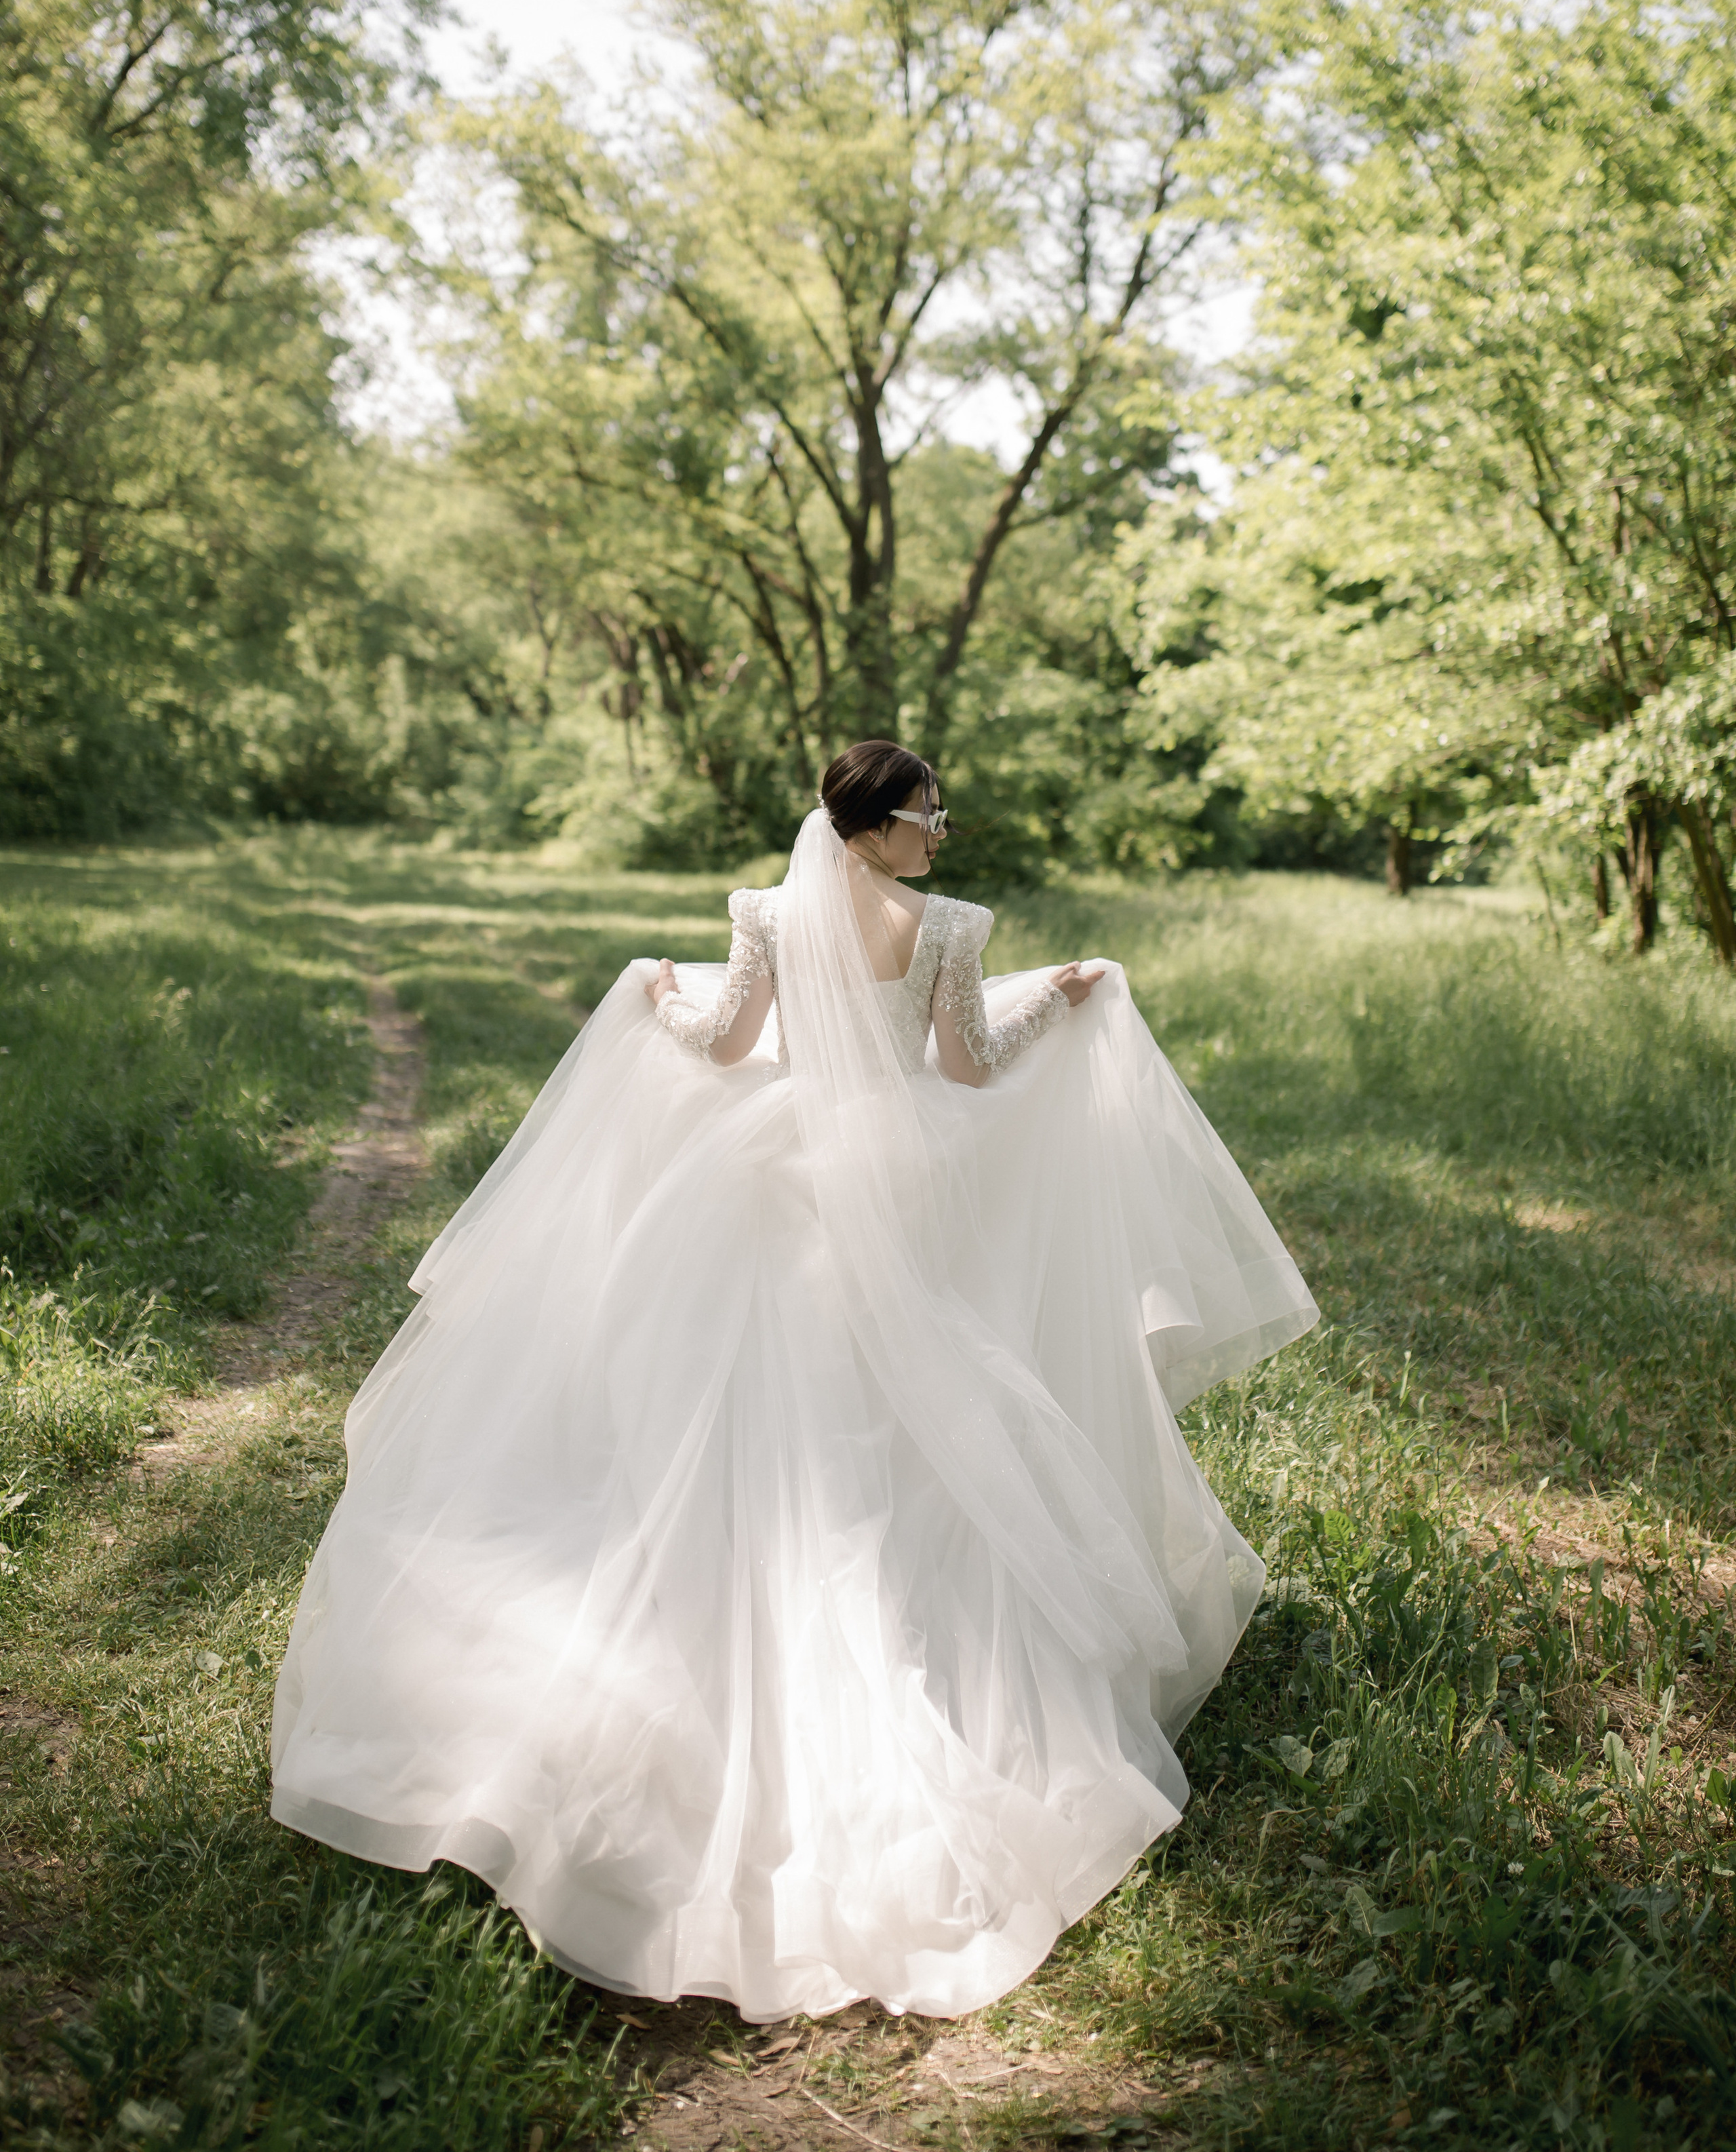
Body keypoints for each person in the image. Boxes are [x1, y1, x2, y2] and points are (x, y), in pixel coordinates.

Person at [271, 740, 1317, 2023]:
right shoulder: (948, 929)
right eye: (928, 811)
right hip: (895, 1177)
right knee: (893, 1397)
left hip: (775, 1176)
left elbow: (725, 1048)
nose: (943, 827)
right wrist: (1064, 998)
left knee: (757, 1392)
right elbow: (971, 1067)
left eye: (941, 807)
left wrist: (660, 996)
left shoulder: (765, 915)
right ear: (874, 829)